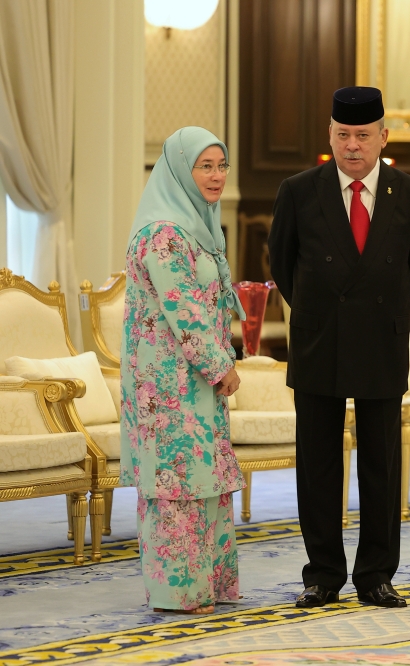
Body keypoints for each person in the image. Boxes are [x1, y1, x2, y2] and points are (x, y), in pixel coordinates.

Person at [268, 86, 410, 609]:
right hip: (319, 342)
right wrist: (322, 314)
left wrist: (376, 312)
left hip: (381, 343)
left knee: (381, 466)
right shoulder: (299, 190)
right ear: (330, 136)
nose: (353, 146)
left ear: (383, 137)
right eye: (343, 135)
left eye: (363, 136)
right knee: (317, 465)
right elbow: (282, 264)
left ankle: (376, 575)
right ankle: (321, 575)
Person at [120, 126, 246, 614]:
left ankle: (208, 584)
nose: (217, 176)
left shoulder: (196, 226)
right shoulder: (164, 234)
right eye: (205, 166)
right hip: (169, 383)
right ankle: (178, 591)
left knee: (203, 477)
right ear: (178, 171)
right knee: (176, 482)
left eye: (221, 165)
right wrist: (221, 365)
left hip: (193, 381)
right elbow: (183, 309)